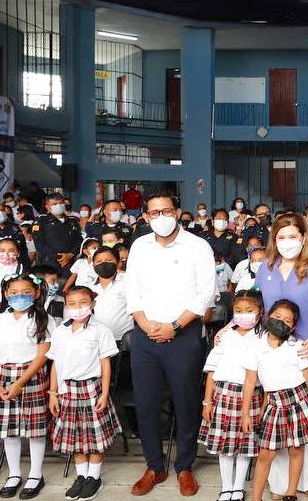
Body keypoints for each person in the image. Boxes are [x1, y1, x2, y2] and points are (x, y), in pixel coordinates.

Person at [125, 192, 215, 497]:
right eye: (154, 213)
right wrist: (146, 323)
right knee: (147, 403)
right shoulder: (139, 246)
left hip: (184, 333)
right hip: (146, 334)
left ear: (177, 212)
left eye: (166, 211)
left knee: (185, 401)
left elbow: (205, 294)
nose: (160, 218)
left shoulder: (197, 246)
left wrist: (174, 326)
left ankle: (185, 466)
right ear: (146, 216)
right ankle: (154, 465)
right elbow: (132, 289)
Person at [253, 213, 308, 499]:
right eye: (282, 237)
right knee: (275, 416)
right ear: (274, 240)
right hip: (275, 351)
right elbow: (258, 307)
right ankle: (278, 484)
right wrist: (230, 326)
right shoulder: (266, 267)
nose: (288, 242)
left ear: (304, 237)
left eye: (293, 236)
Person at [243, 301, 308, 501]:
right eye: (278, 317)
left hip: (299, 401)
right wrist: (245, 413)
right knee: (266, 454)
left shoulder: (297, 346)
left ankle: (290, 493)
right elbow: (250, 381)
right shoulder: (256, 347)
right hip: (274, 404)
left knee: (296, 450)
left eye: (287, 321)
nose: (281, 322)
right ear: (268, 316)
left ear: (293, 327)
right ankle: (256, 498)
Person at [48, 286, 122, 501]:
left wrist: (104, 393)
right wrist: (53, 392)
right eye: (72, 304)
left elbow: (105, 363)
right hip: (66, 390)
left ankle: (94, 478)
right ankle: (81, 477)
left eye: (83, 303)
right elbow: (55, 364)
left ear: (92, 304)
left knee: (94, 437)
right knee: (76, 437)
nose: (77, 308)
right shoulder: (60, 331)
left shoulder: (100, 330)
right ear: (66, 306)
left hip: (92, 388)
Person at [0, 273, 54, 500]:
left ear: (36, 293)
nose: (19, 297)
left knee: (34, 429)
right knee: (9, 430)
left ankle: (36, 474)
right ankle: (14, 474)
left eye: (26, 292)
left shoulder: (44, 320)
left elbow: (42, 356)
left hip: (31, 376)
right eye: (13, 293)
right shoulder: (0, 320)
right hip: (4, 377)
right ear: (5, 294)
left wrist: (20, 383)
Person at [200, 290, 265, 501]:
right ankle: (226, 487)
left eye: (249, 310)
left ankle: (238, 488)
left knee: (245, 445)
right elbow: (211, 371)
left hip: (251, 398)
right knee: (225, 447)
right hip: (223, 395)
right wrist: (207, 401)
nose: (243, 314)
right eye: (238, 310)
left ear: (259, 312)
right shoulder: (225, 337)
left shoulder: (264, 339)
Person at [33, 192, 84, 277]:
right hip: (49, 264)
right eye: (54, 204)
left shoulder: (73, 221)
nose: (58, 205)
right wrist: (59, 257)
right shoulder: (41, 221)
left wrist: (70, 255)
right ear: (47, 206)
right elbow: (39, 244)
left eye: (61, 203)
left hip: (71, 263)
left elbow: (79, 241)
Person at [0, 238, 26, 320]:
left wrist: (0, 305)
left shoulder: (21, 270)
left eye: (11, 251)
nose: (6, 254)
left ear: (18, 253)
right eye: (2, 251)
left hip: (8, 312)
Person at [0, 200, 29, 266]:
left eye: (2, 210)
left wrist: (26, 266)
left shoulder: (14, 227)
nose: (0, 213)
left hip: (18, 268)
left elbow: (23, 249)